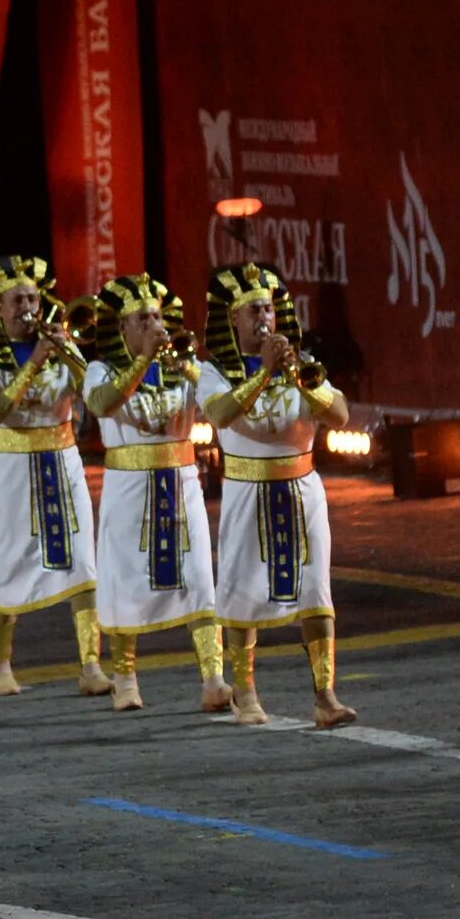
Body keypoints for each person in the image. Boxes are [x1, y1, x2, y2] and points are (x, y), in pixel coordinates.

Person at [200, 263, 359, 729]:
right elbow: (223, 414)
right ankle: (245, 692)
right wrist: (263, 375)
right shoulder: (214, 371)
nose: (263, 318)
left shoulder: (300, 363)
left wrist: (297, 377)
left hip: (302, 490)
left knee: (315, 591)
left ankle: (325, 695)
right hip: (248, 491)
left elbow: (343, 416)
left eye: (268, 308)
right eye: (252, 310)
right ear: (233, 318)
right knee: (241, 591)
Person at [81, 274, 226, 714]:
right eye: (142, 319)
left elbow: (219, 403)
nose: (153, 326)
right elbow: (102, 404)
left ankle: (214, 678)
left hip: (181, 483)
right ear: (122, 327)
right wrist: (143, 361)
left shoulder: (179, 365)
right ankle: (125, 678)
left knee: (199, 578)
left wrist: (192, 367)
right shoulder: (101, 368)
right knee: (126, 579)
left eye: (157, 317)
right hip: (130, 487)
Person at [0, 257, 105, 700]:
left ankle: (91, 664)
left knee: (82, 561)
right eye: (17, 299)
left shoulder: (59, 342)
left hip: (62, 464)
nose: (28, 306)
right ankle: (1, 662)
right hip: (11, 471)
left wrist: (70, 354)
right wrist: (33, 365)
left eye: (32, 297)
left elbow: (97, 399)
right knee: (10, 560)